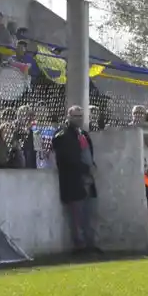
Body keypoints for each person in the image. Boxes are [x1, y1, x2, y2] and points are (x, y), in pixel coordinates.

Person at [51, 105, 99, 254]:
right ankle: (80, 246)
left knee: (88, 213)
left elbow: (88, 154)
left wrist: (92, 167)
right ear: (68, 116)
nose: (78, 119)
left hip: (87, 180)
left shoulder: (83, 134)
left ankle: (90, 244)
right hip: (73, 180)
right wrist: (86, 168)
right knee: (77, 215)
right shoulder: (63, 135)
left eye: (80, 116)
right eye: (75, 116)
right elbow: (68, 159)